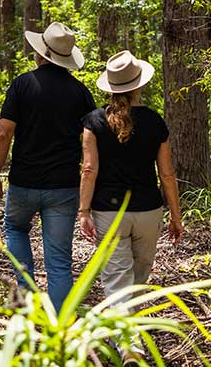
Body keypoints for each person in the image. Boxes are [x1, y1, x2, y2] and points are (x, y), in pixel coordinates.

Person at [0, 21, 96, 310]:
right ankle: (59, 331)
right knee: (59, 262)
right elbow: (92, 142)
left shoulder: (22, 85)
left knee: (16, 229)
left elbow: (3, 132)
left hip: (24, 183)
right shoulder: (81, 93)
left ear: (41, 54)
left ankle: (25, 298)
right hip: (64, 187)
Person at [77, 49, 184, 301]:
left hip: (108, 213)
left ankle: (127, 337)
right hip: (148, 211)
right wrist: (175, 217)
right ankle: (131, 334)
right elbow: (167, 174)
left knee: (117, 280)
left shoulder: (93, 121)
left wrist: (83, 212)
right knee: (138, 280)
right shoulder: (154, 121)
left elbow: (89, 169)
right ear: (139, 85)